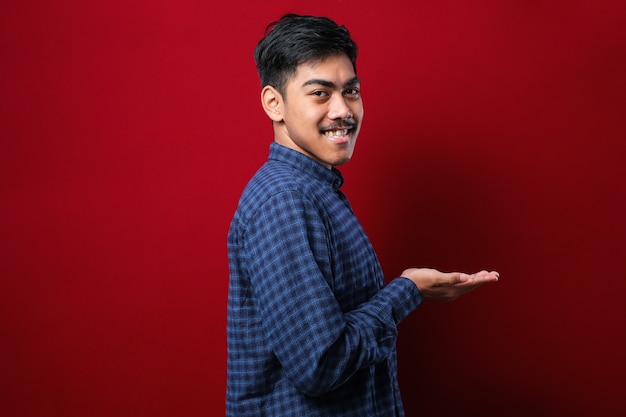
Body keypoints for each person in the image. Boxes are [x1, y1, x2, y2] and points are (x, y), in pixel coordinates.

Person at [226, 13, 499, 416]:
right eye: (320, 93)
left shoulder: (315, 189)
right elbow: (321, 363)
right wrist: (408, 290)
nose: (343, 110)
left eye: (350, 90)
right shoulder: (285, 199)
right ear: (274, 103)